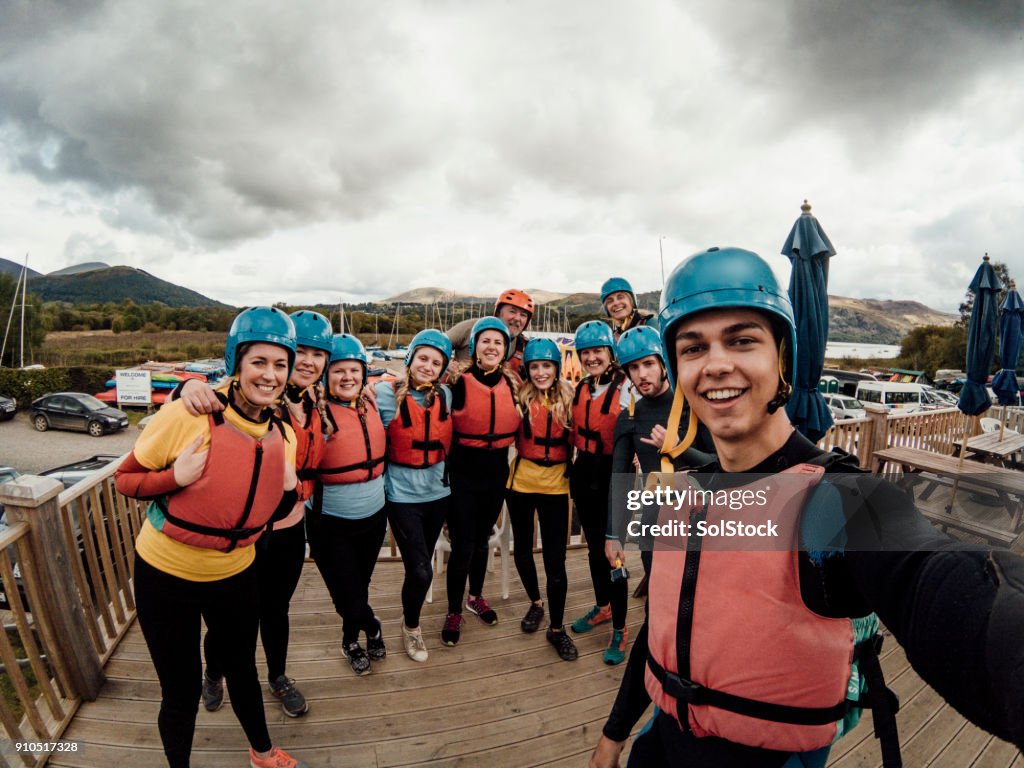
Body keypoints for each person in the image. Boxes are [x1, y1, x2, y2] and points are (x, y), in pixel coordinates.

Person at [590, 247, 1024, 768]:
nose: (717, 364)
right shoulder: (683, 494)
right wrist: (614, 735)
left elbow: (931, 576)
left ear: (782, 357)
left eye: (742, 340)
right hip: (659, 748)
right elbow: (662, 627)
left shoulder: (836, 498)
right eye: (692, 348)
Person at [114, 306, 307, 768]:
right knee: (180, 690)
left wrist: (287, 488)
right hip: (165, 574)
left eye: (280, 364)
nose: (270, 374)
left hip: (236, 573)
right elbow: (125, 479)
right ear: (236, 364)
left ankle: (262, 753)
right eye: (258, 362)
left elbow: (269, 512)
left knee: (242, 669)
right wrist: (172, 478)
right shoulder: (187, 415)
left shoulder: (283, 434)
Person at [177, 310, 332, 719]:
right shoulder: (254, 396)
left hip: (290, 528)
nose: (311, 363)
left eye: (320, 355)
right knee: (231, 617)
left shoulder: (318, 400)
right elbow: (211, 397)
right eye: (304, 353)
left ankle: (278, 676)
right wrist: (188, 386)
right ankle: (215, 671)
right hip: (245, 533)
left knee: (276, 610)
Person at [605, 325, 714, 581]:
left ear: (664, 363)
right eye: (633, 367)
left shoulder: (694, 406)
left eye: (648, 364)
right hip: (654, 516)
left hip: (697, 517)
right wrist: (613, 536)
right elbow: (620, 480)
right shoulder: (629, 417)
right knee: (656, 588)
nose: (641, 374)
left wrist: (677, 448)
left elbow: (719, 466)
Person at [442, 316, 523, 645]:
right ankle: (453, 611)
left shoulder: (513, 385)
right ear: (475, 347)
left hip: (495, 475)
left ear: (505, 350)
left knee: (480, 543)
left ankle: (475, 597)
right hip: (462, 475)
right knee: (462, 546)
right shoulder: (458, 383)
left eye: (498, 342)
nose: (492, 347)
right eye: (486, 341)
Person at [375, 329, 454, 662]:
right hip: (401, 496)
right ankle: (412, 628)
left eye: (436, 362)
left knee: (420, 568)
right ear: (410, 359)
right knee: (421, 570)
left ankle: (411, 622)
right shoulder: (382, 393)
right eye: (423, 358)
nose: (428, 366)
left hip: (438, 494)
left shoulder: (447, 396)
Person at [312, 333, 388, 675]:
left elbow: (423, 379)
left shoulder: (374, 400)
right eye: (339, 371)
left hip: (373, 519)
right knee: (346, 594)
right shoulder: (313, 410)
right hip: (330, 523)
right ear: (326, 376)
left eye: (354, 370)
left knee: (359, 586)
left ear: (364, 373)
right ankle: (370, 626)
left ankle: (350, 640)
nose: (348, 378)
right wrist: (185, 389)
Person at [506, 337, 578, 661]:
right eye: (534, 366)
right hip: (520, 483)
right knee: (522, 550)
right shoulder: (517, 398)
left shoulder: (570, 399)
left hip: (555, 486)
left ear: (556, 368)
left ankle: (557, 629)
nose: (540, 372)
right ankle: (536, 603)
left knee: (555, 561)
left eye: (546, 366)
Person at [567, 320, 632, 665]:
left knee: (614, 553)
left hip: (615, 477)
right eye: (586, 352)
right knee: (594, 550)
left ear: (611, 353)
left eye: (598, 351)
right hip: (585, 475)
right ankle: (603, 607)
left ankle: (620, 628)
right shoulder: (580, 389)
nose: (592, 358)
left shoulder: (629, 388)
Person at [447, 289, 534, 377]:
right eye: (512, 311)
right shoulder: (469, 328)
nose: (517, 318)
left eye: (523, 315)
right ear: (498, 313)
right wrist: (447, 364)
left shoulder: (524, 346)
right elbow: (436, 343)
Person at [600, 277, 656, 343]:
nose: (616, 303)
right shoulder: (612, 338)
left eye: (620, 297)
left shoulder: (651, 324)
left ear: (631, 301)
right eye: (610, 301)